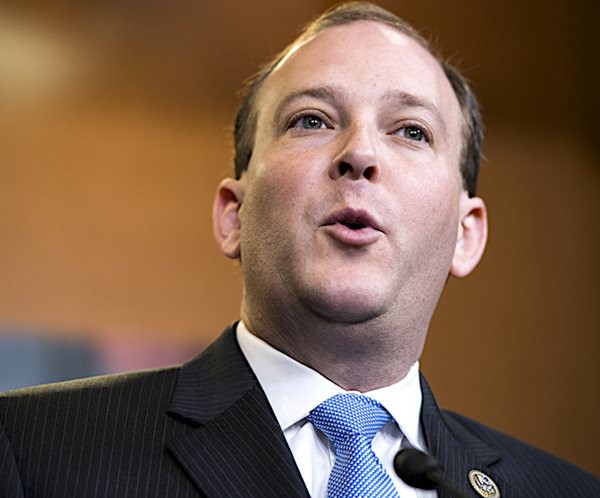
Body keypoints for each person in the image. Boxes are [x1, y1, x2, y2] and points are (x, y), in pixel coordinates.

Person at [0, 3, 598, 497]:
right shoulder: (34, 450)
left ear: (465, 235)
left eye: (411, 130)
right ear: (234, 215)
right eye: (311, 120)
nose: (359, 152)